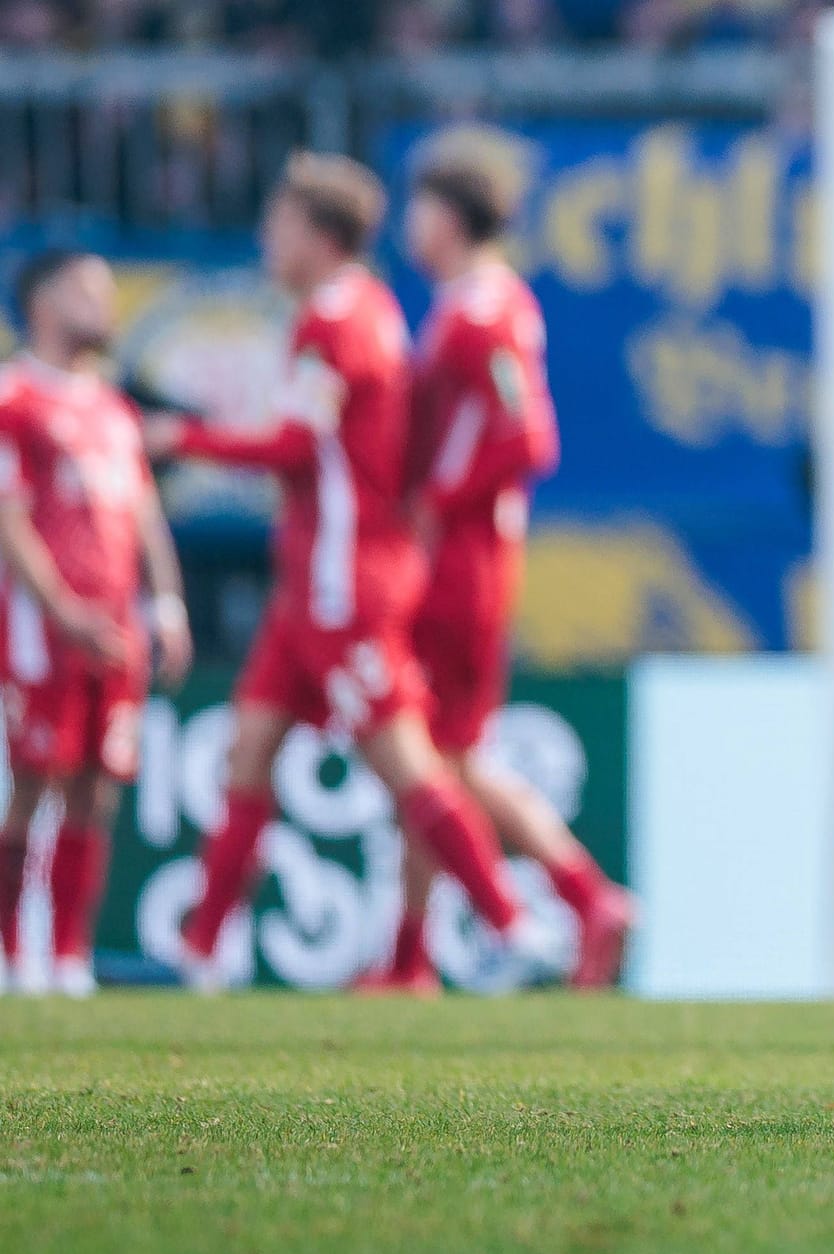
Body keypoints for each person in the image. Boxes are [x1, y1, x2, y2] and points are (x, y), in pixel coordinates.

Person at [146, 153, 566, 991]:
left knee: (410, 761)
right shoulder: (376, 312)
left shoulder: (337, 322)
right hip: (315, 584)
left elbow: (300, 447)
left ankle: (514, 926)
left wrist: (180, 439)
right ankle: (201, 954)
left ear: (316, 233)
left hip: (345, 586)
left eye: (280, 223)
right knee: (250, 746)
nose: (269, 238)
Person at [353, 145, 632, 995]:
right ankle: (412, 956)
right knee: (434, 759)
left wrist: (438, 498)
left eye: (419, 207)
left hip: (466, 562)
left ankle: (583, 897)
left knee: (440, 759)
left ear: (447, 215)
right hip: (458, 556)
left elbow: (529, 436)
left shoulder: (489, 309)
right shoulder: (463, 306)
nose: (409, 225)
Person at [0, 249, 192, 998]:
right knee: (33, 782)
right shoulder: (15, 396)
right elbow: (10, 517)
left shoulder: (114, 409)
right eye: (87, 290)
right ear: (42, 302)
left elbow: (144, 514)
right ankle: (17, 955)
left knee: (97, 789)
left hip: (117, 630)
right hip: (42, 629)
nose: (103, 307)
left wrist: (166, 604)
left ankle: (72, 956)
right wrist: (60, 609)